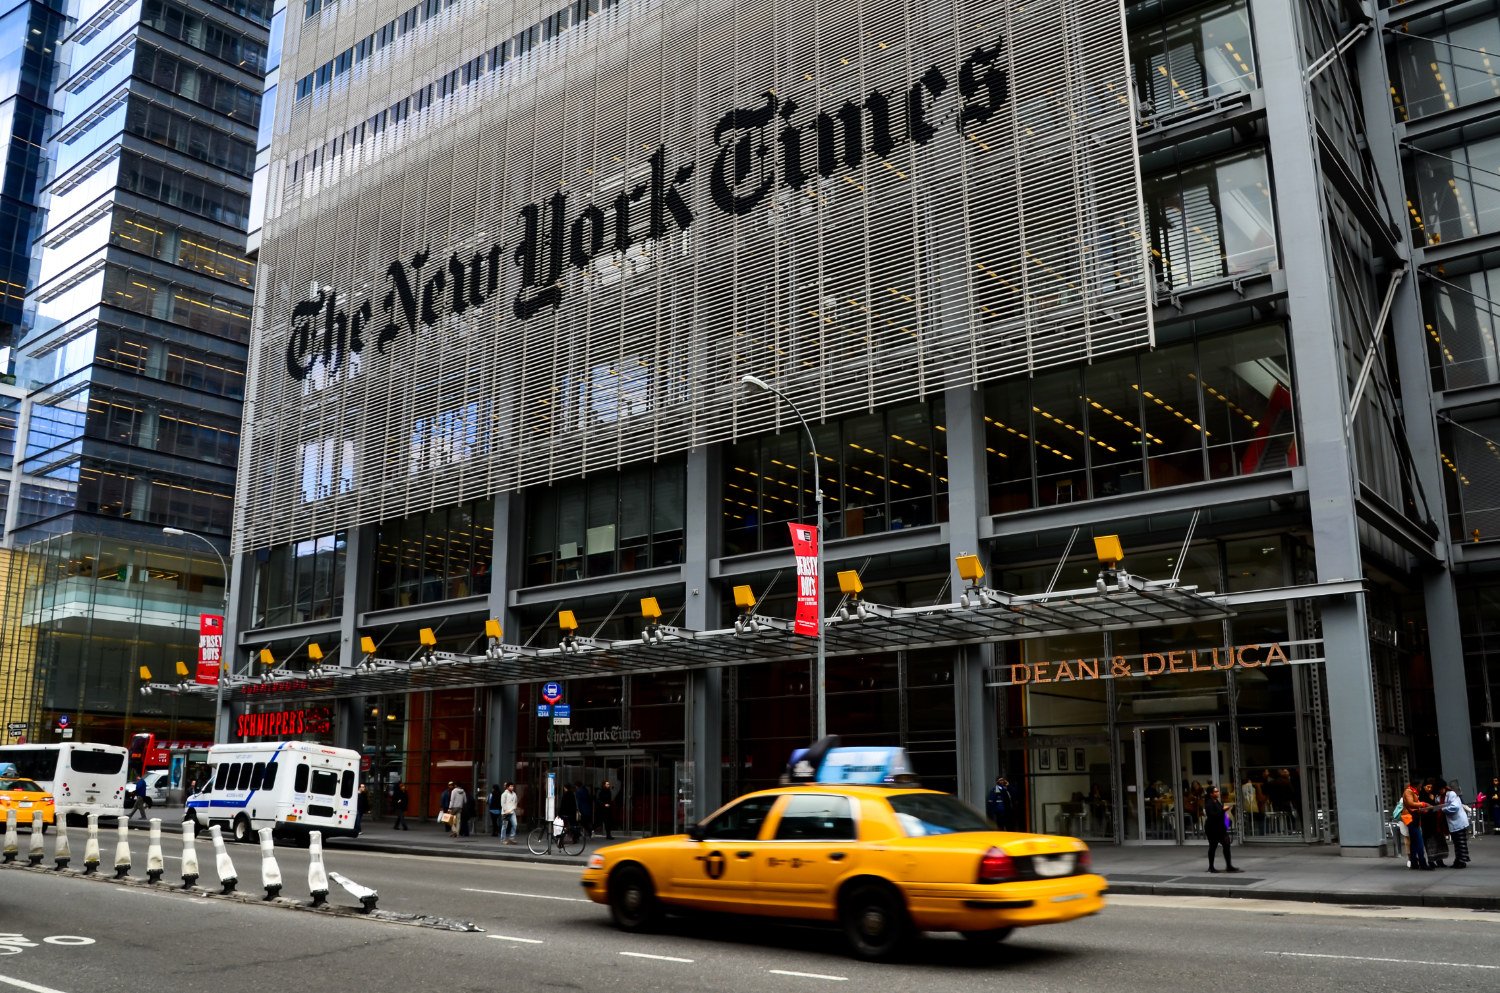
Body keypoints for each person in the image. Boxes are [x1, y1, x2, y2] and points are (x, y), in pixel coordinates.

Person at [1203, 784, 1241, 873]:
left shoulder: (1216, 801)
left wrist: (1227, 821)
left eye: (1217, 791)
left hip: (1220, 828)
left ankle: (1229, 865)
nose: (1218, 793)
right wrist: (1223, 810)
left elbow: (1221, 815)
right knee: (1213, 846)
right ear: (1211, 794)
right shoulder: (1209, 803)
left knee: (1226, 845)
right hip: (1212, 828)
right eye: (1216, 792)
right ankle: (1211, 867)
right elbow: (1213, 815)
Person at [1402, 777, 1433, 870]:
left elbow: (1413, 806)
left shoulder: (1413, 792)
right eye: (1421, 785)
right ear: (1417, 784)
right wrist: (1424, 804)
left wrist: (1423, 810)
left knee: (1414, 842)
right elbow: (1411, 803)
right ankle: (1422, 863)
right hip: (1411, 819)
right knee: (1419, 841)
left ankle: (1414, 863)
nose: (1421, 786)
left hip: (1413, 818)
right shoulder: (1408, 791)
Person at [1440, 780, 1472, 868]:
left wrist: (1443, 809)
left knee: (1460, 843)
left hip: (1459, 822)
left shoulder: (1451, 794)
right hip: (1454, 823)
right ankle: (1458, 860)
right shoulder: (1443, 796)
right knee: (1457, 843)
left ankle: (1461, 861)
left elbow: (1455, 807)